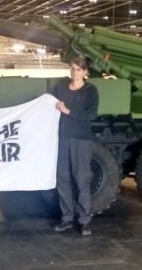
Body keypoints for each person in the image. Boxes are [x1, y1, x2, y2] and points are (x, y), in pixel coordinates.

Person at [52, 56, 99, 236]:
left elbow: (92, 114)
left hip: (80, 139)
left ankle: (84, 220)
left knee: (81, 179)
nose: (75, 72)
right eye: (72, 68)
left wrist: (68, 111)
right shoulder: (62, 88)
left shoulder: (90, 90)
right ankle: (67, 217)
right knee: (62, 178)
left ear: (85, 72)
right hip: (63, 139)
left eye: (79, 69)